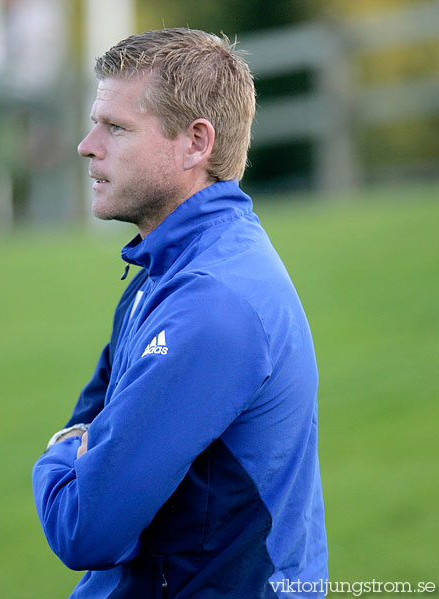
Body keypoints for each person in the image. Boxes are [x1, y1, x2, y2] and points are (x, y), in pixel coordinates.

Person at [31, 28, 327, 598]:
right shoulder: (166, 268)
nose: (86, 145)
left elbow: (82, 527)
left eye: (116, 127)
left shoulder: (212, 304)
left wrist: (58, 450)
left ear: (195, 143)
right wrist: (84, 447)